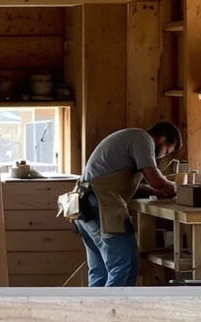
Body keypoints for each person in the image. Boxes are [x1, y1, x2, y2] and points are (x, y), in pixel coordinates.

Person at [74, 121, 181, 287]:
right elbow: (156, 181)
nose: (162, 156)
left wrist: (156, 192)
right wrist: (177, 188)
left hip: (84, 203)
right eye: (167, 151)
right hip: (101, 206)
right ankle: (115, 311)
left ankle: (95, 311)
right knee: (125, 266)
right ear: (162, 139)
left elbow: (129, 185)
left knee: (100, 271)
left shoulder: (129, 138)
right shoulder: (143, 139)